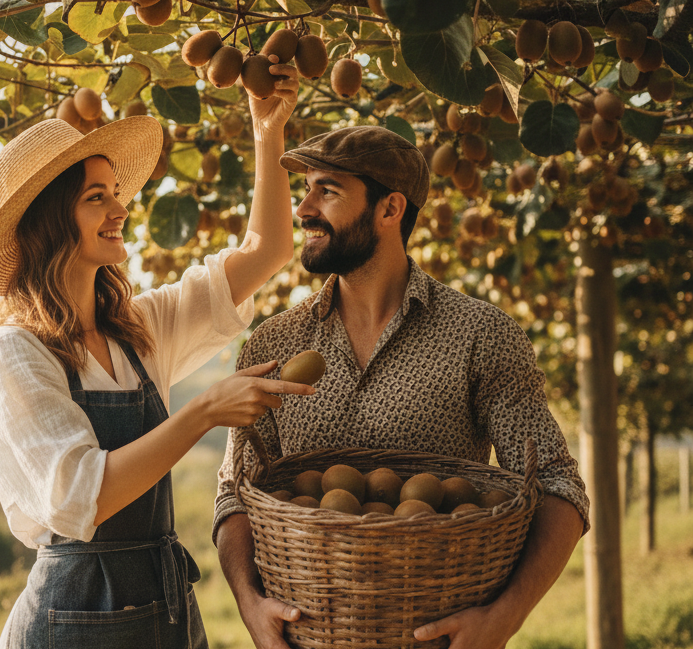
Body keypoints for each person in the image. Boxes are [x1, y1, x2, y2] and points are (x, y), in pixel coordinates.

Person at [0, 59, 312, 649]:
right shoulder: (18, 352)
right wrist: (205, 411)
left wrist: (268, 130)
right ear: (52, 222)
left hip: (164, 611)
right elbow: (88, 496)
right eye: (96, 198)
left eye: (116, 193)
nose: (119, 209)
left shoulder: (138, 331)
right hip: (72, 620)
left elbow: (268, 250)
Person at [213, 126, 590, 649]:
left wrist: (504, 617)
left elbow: (558, 484)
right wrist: (250, 606)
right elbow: (234, 491)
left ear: (391, 209)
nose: (303, 209)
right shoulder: (274, 344)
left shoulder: (481, 335)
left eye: (328, 190)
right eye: (307, 190)